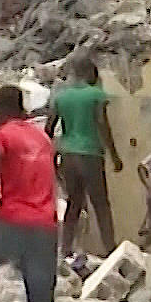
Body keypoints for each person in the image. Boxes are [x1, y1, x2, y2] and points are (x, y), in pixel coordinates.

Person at [0, 85, 60, 302]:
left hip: (15, 217)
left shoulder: (0, 134)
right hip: (46, 221)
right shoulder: (41, 136)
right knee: (40, 284)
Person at [47, 57, 124, 258]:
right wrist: (114, 155)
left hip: (68, 154)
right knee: (100, 203)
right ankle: (110, 249)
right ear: (90, 74)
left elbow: (48, 128)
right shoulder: (96, 95)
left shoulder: (61, 97)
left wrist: (49, 155)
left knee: (74, 202)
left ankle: (65, 248)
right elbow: (102, 123)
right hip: (90, 153)